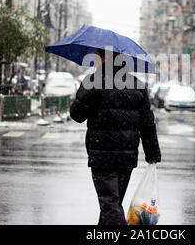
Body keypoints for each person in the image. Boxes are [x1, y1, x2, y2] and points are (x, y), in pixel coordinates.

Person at [69, 49, 161, 225]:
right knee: (112, 205)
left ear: (103, 58)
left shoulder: (94, 82)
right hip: (127, 158)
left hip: (102, 155)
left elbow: (77, 115)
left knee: (110, 206)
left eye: (97, 56)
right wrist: (152, 153)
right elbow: (147, 123)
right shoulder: (137, 85)